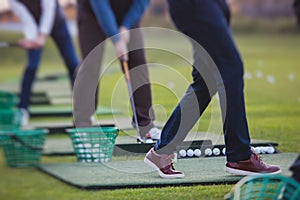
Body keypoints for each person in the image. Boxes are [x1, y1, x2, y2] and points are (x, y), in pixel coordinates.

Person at [144, 0, 281, 178]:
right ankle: (240, 156)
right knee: (231, 67)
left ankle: (163, 151)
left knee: (206, 79)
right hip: (197, 6)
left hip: (213, 5)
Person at [74, 0, 161, 140]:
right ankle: (82, 124)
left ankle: (145, 125)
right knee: (90, 65)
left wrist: (126, 26)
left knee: (137, 62)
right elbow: (100, 5)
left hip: (126, 13)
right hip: (92, 12)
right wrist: (117, 40)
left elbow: (141, 2)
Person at [9, 0, 79, 126]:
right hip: (35, 28)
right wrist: (31, 39)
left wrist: (42, 36)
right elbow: (27, 20)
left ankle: (81, 111)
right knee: (32, 66)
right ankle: (23, 110)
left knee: (73, 64)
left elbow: (49, 10)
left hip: (58, 23)